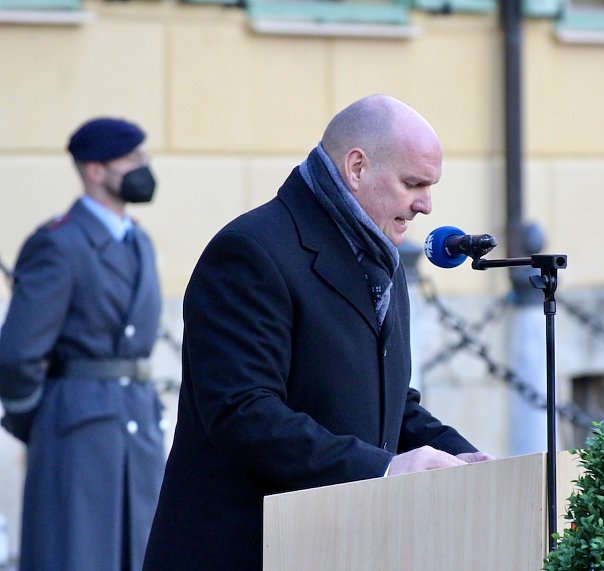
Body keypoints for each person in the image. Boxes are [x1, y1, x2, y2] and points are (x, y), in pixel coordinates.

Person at [142, 94, 492, 570]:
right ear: (357, 167)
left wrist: (469, 461)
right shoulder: (250, 251)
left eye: (429, 187)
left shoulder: (380, 255)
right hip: (247, 550)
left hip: (336, 546)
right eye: (413, 183)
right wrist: (384, 469)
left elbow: (390, 404)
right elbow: (244, 412)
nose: (426, 205)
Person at [0, 117, 165, 571]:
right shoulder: (59, 244)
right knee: (78, 555)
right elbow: (16, 353)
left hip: (138, 428)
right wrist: (43, 419)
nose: (143, 167)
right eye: (131, 158)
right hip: (77, 431)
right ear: (94, 170)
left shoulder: (138, 241)